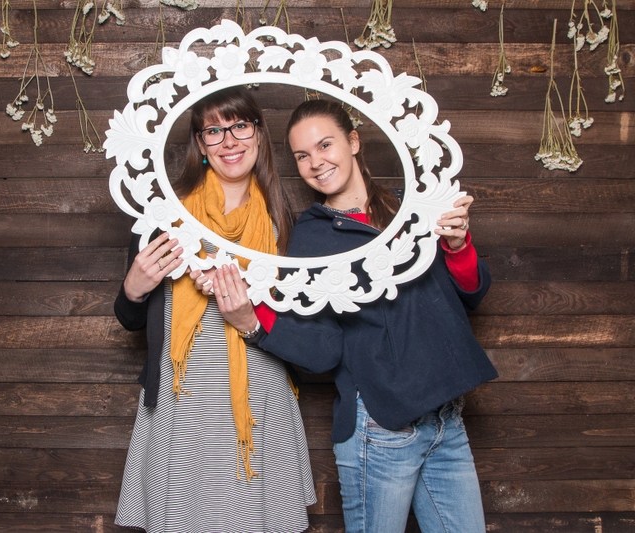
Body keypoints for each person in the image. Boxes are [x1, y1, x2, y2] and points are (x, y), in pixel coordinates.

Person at [206, 99, 498, 533]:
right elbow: (321, 350)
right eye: (302, 155)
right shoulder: (311, 238)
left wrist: (458, 247)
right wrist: (253, 316)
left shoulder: (408, 209)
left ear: (354, 141)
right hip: (380, 428)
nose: (316, 163)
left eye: (325, 145)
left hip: (446, 419)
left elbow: (468, 296)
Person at [113, 86, 316, 533]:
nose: (229, 141)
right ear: (200, 144)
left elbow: (306, 335)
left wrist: (248, 312)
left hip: (259, 400)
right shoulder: (163, 217)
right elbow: (129, 319)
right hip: (182, 402)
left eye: (240, 126)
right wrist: (133, 288)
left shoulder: (286, 225)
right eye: (214, 131)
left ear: (258, 134)